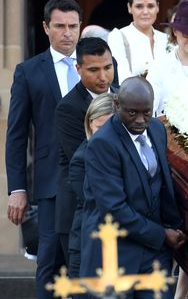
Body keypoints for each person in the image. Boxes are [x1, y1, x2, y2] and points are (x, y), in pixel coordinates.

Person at [80, 77, 186, 299]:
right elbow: (114, 208)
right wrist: (161, 234)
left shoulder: (157, 128)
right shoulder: (102, 144)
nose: (140, 120)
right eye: (132, 113)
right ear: (117, 105)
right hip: (115, 255)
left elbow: (163, 184)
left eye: (146, 112)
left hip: (156, 255)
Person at [5, 0, 82, 299]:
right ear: (46, 28)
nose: (67, 33)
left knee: (89, 259)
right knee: (50, 259)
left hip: (96, 179)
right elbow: (16, 136)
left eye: (73, 26)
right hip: (50, 183)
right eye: (60, 26)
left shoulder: (100, 64)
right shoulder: (29, 71)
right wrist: (17, 188)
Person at [54, 37, 117, 263]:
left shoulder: (122, 98)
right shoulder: (67, 108)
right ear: (78, 69)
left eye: (108, 67)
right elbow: (90, 163)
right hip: (79, 216)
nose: (103, 76)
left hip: (117, 213)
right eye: (94, 70)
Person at [68, 93, 115, 280]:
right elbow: (100, 202)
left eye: (111, 128)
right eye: (100, 128)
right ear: (89, 124)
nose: (105, 135)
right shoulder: (80, 160)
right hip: (87, 247)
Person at [108, 0, 168, 81]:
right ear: (129, 8)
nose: (145, 12)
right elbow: (122, 78)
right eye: (139, 6)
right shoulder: (118, 37)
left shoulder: (166, 39)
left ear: (157, 7)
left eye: (150, 6)